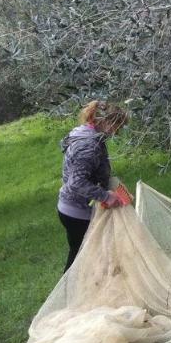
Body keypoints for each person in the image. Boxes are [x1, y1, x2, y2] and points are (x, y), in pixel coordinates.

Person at [57, 100, 130, 272]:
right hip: (76, 213)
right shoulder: (88, 146)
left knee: (82, 256)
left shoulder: (87, 134)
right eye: (117, 125)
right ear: (104, 121)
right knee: (81, 261)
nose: (117, 131)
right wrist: (106, 196)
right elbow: (77, 182)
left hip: (71, 207)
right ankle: (70, 296)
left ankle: (77, 294)